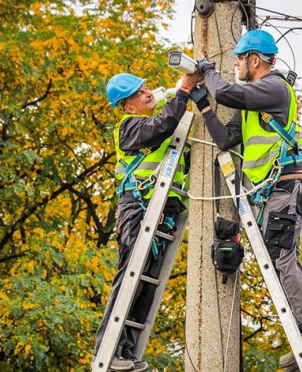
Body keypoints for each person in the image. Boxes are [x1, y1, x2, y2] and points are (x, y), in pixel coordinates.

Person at [191, 29, 302, 370]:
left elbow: (226, 92)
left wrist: (206, 70)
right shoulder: (253, 102)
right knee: (279, 259)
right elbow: (226, 140)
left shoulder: (274, 87)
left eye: (240, 59)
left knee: (282, 259)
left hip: (287, 187)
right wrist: (203, 106)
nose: (236, 65)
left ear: (254, 59)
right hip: (276, 192)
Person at [94, 71, 200, 371]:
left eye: (145, 88)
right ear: (127, 106)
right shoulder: (129, 127)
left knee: (146, 285)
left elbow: (171, 136)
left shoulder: (157, 131)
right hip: (138, 209)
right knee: (131, 277)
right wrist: (182, 92)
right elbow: (161, 125)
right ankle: (110, 349)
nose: (146, 94)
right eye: (138, 94)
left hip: (162, 213)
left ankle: (126, 353)